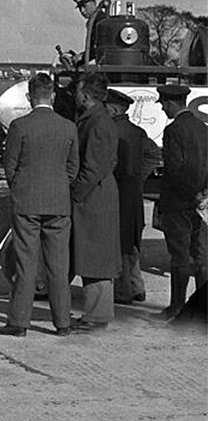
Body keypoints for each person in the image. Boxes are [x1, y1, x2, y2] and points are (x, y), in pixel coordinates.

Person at [0, 73, 79, 337]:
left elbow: (10, 165)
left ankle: (19, 322)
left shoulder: (19, 126)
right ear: (52, 95)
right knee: (58, 265)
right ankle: (62, 322)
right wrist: (57, 186)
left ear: (30, 97)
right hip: (58, 202)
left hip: (27, 202)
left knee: (25, 263)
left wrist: (21, 188)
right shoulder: (68, 127)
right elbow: (72, 168)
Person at [70, 72, 121, 331]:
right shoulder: (95, 119)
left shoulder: (98, 123)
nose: (75, 96)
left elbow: (93, 167)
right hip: (95, 196)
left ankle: (98, 315)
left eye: (78, 92)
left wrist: (75, 194)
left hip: (94, 198)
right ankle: (94, 313)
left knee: (97, 258)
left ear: (87, 95)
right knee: (93, 256)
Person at [155, 84, 208, 319]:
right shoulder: (202, 128)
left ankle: (177, 307)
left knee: (180, 257)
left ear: (170, 103)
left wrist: (190, 195)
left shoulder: (174, 130)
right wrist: (203, 193)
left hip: (179, 203)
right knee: (202, 256)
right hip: (201, 204)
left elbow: (175, 169)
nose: (164, 109)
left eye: (164, 104)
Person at [106, 89, 161, 305]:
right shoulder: (137, 132)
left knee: (119, 242)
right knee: (131, 242)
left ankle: (124, 290)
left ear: (113, 109)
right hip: (133, 193)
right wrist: (139, 177)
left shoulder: (110, 130)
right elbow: (154, 154)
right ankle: (137, 287)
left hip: (116, 193)